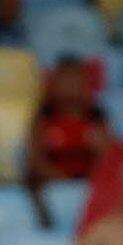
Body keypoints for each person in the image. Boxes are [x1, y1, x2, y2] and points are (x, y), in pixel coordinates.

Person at [27, 58, 110, 188]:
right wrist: (62, 179)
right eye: (66, 80)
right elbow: (35, 160)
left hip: (89, 185)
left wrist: (88, 181)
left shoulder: (96, 118)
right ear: (54, 84)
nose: (71, 86)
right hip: (52, 187)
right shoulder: (43, 118)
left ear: (85, 84)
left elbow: (107, 156)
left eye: (76, 80)